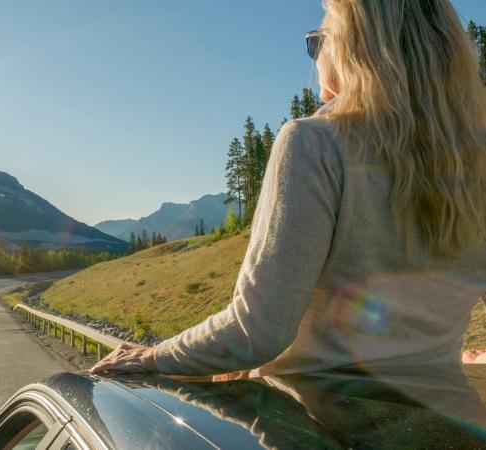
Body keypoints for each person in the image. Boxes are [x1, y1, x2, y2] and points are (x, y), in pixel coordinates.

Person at [91, 0, 486, 377]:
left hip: (317, 420)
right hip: (441, 416)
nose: (316, 58)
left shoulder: (315, 144)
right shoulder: (476, 159)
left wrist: (154, 354)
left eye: (319, 40)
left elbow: (257, 332)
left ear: (352, 48)